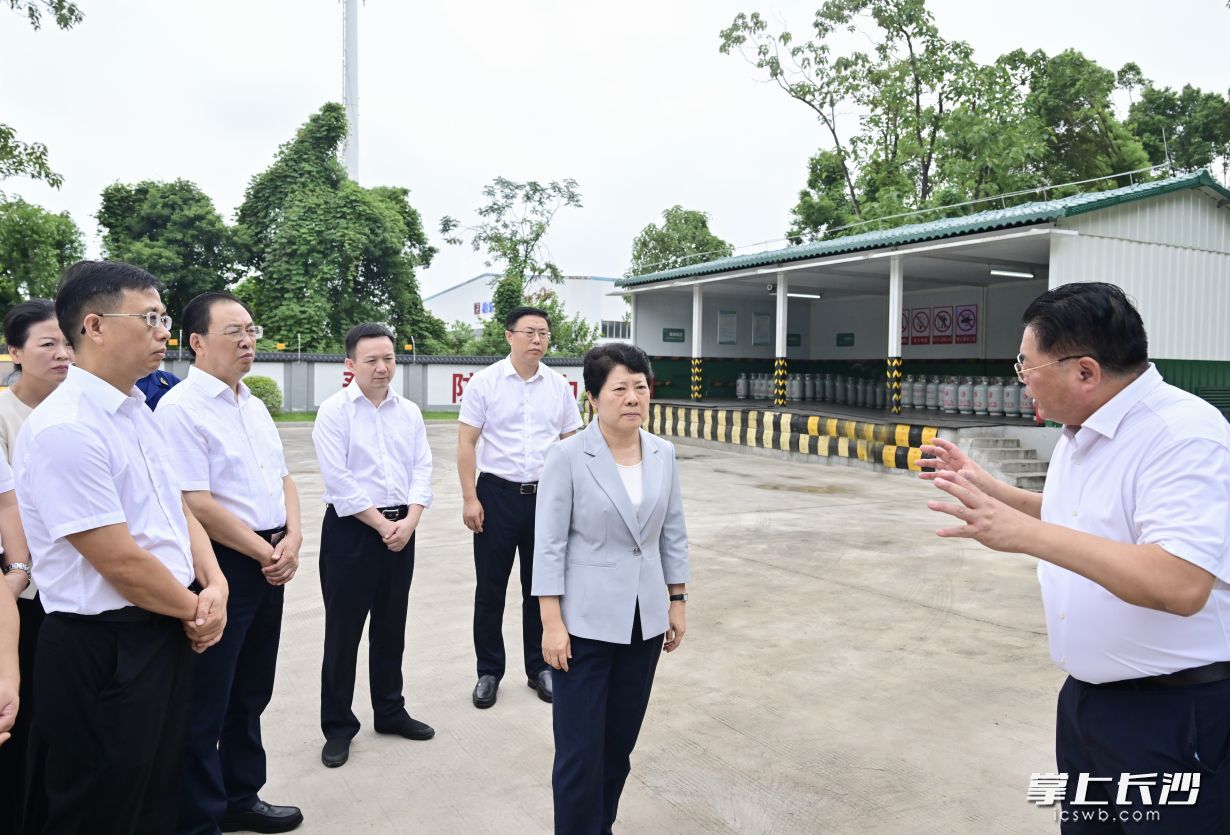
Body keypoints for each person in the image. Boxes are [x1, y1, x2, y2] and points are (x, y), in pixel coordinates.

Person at [921, 281, 1230, 833]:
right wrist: (990, 489)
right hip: (1090, 704)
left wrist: (1021, 534)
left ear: (1084, 371)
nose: (1022, 381)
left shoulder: (1183, 437)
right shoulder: (1082, 431)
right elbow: (1079, 520)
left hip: (1172, 714)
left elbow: (1180, 583)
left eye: (1027, 365)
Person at [13, 260, 229, 833]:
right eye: (150, 317)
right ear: (95, 327)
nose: (165, 331)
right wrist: (197, 610)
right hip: (104, 648)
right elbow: (118, 559)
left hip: (164, 625)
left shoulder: (138, 410)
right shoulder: (67, 427)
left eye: (164, 317)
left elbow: (175, 509)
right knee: (98, 806)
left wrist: (215, 583)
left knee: (155, 791)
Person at [156, 292, 303, 835]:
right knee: (206, 699)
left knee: (251, 688)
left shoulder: (254, 403)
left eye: (251, 330)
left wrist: (293, 537)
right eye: (234, 331)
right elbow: (195, 503)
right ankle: (198, 816)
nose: (248, 341)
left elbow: (283, 476)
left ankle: (242, 793)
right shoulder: (180, 410)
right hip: (221, 565)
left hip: (270, 558)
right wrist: (265, 551)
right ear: (196, 342)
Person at [533, 343, 691, 835]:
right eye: (619, 388)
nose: (632, 398)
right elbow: (550, 545)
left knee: (618, 746)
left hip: (644, 623)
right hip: (584, 627)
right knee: (580, 751)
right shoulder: (568, 456)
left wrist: (677, 600)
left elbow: (673, 532)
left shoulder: (663, 453)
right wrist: (552, 624)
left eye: (640, 387)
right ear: (593, 397)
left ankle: (600, 826)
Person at [312, 322, 434, 769]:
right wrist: (382, 526)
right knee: (344, 633)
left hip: (404, 529)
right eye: (371, 360)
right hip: (352, 533)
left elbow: (423, 467)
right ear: (350, 364)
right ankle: (338, 726)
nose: (383, 368)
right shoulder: (334, 412)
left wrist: (411, 520)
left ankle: (390, 710)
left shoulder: (410, 412)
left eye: (389, 359)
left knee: (391, 626)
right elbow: (338, 480)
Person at [458, 306, 583, 709]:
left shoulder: (559, 387)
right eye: (529, 332)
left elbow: (572, 443)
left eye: (544, 333)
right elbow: (466, 443)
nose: (537, 340)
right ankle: (489, 672)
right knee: (490, 590)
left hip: (546, 498)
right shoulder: (484, 383)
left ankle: (539, 668)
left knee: (541, 588)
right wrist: (469, 498)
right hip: (495, 496)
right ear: (509, 336)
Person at [0, 298, 69, 835]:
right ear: (15, 351)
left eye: (67, 342)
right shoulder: (5, 415)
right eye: (47, 343)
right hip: (19, 595)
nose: (62, 353)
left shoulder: (79, 409)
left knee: (63, 728)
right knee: (19, 724)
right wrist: (19, 571)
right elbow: (10, 503)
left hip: (70, 593)